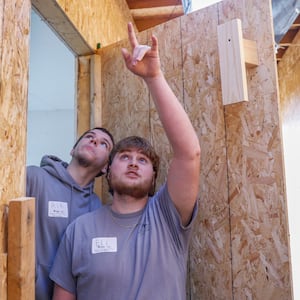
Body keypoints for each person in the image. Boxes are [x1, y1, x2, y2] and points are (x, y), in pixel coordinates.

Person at [50, 22, 201, 300]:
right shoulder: (79, 230)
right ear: (107, 171)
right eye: (124, 156)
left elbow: (189, 153)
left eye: (143, 160)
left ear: (154, 177)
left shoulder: (167, 217)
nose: (133, 163)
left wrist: (154, 78)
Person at [26, 127, 114, 300]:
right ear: (72, 150)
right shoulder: (34, 177)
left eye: (104, 144)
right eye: (90, 137)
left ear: (105, 167)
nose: (94, 141)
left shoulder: (97, 208)